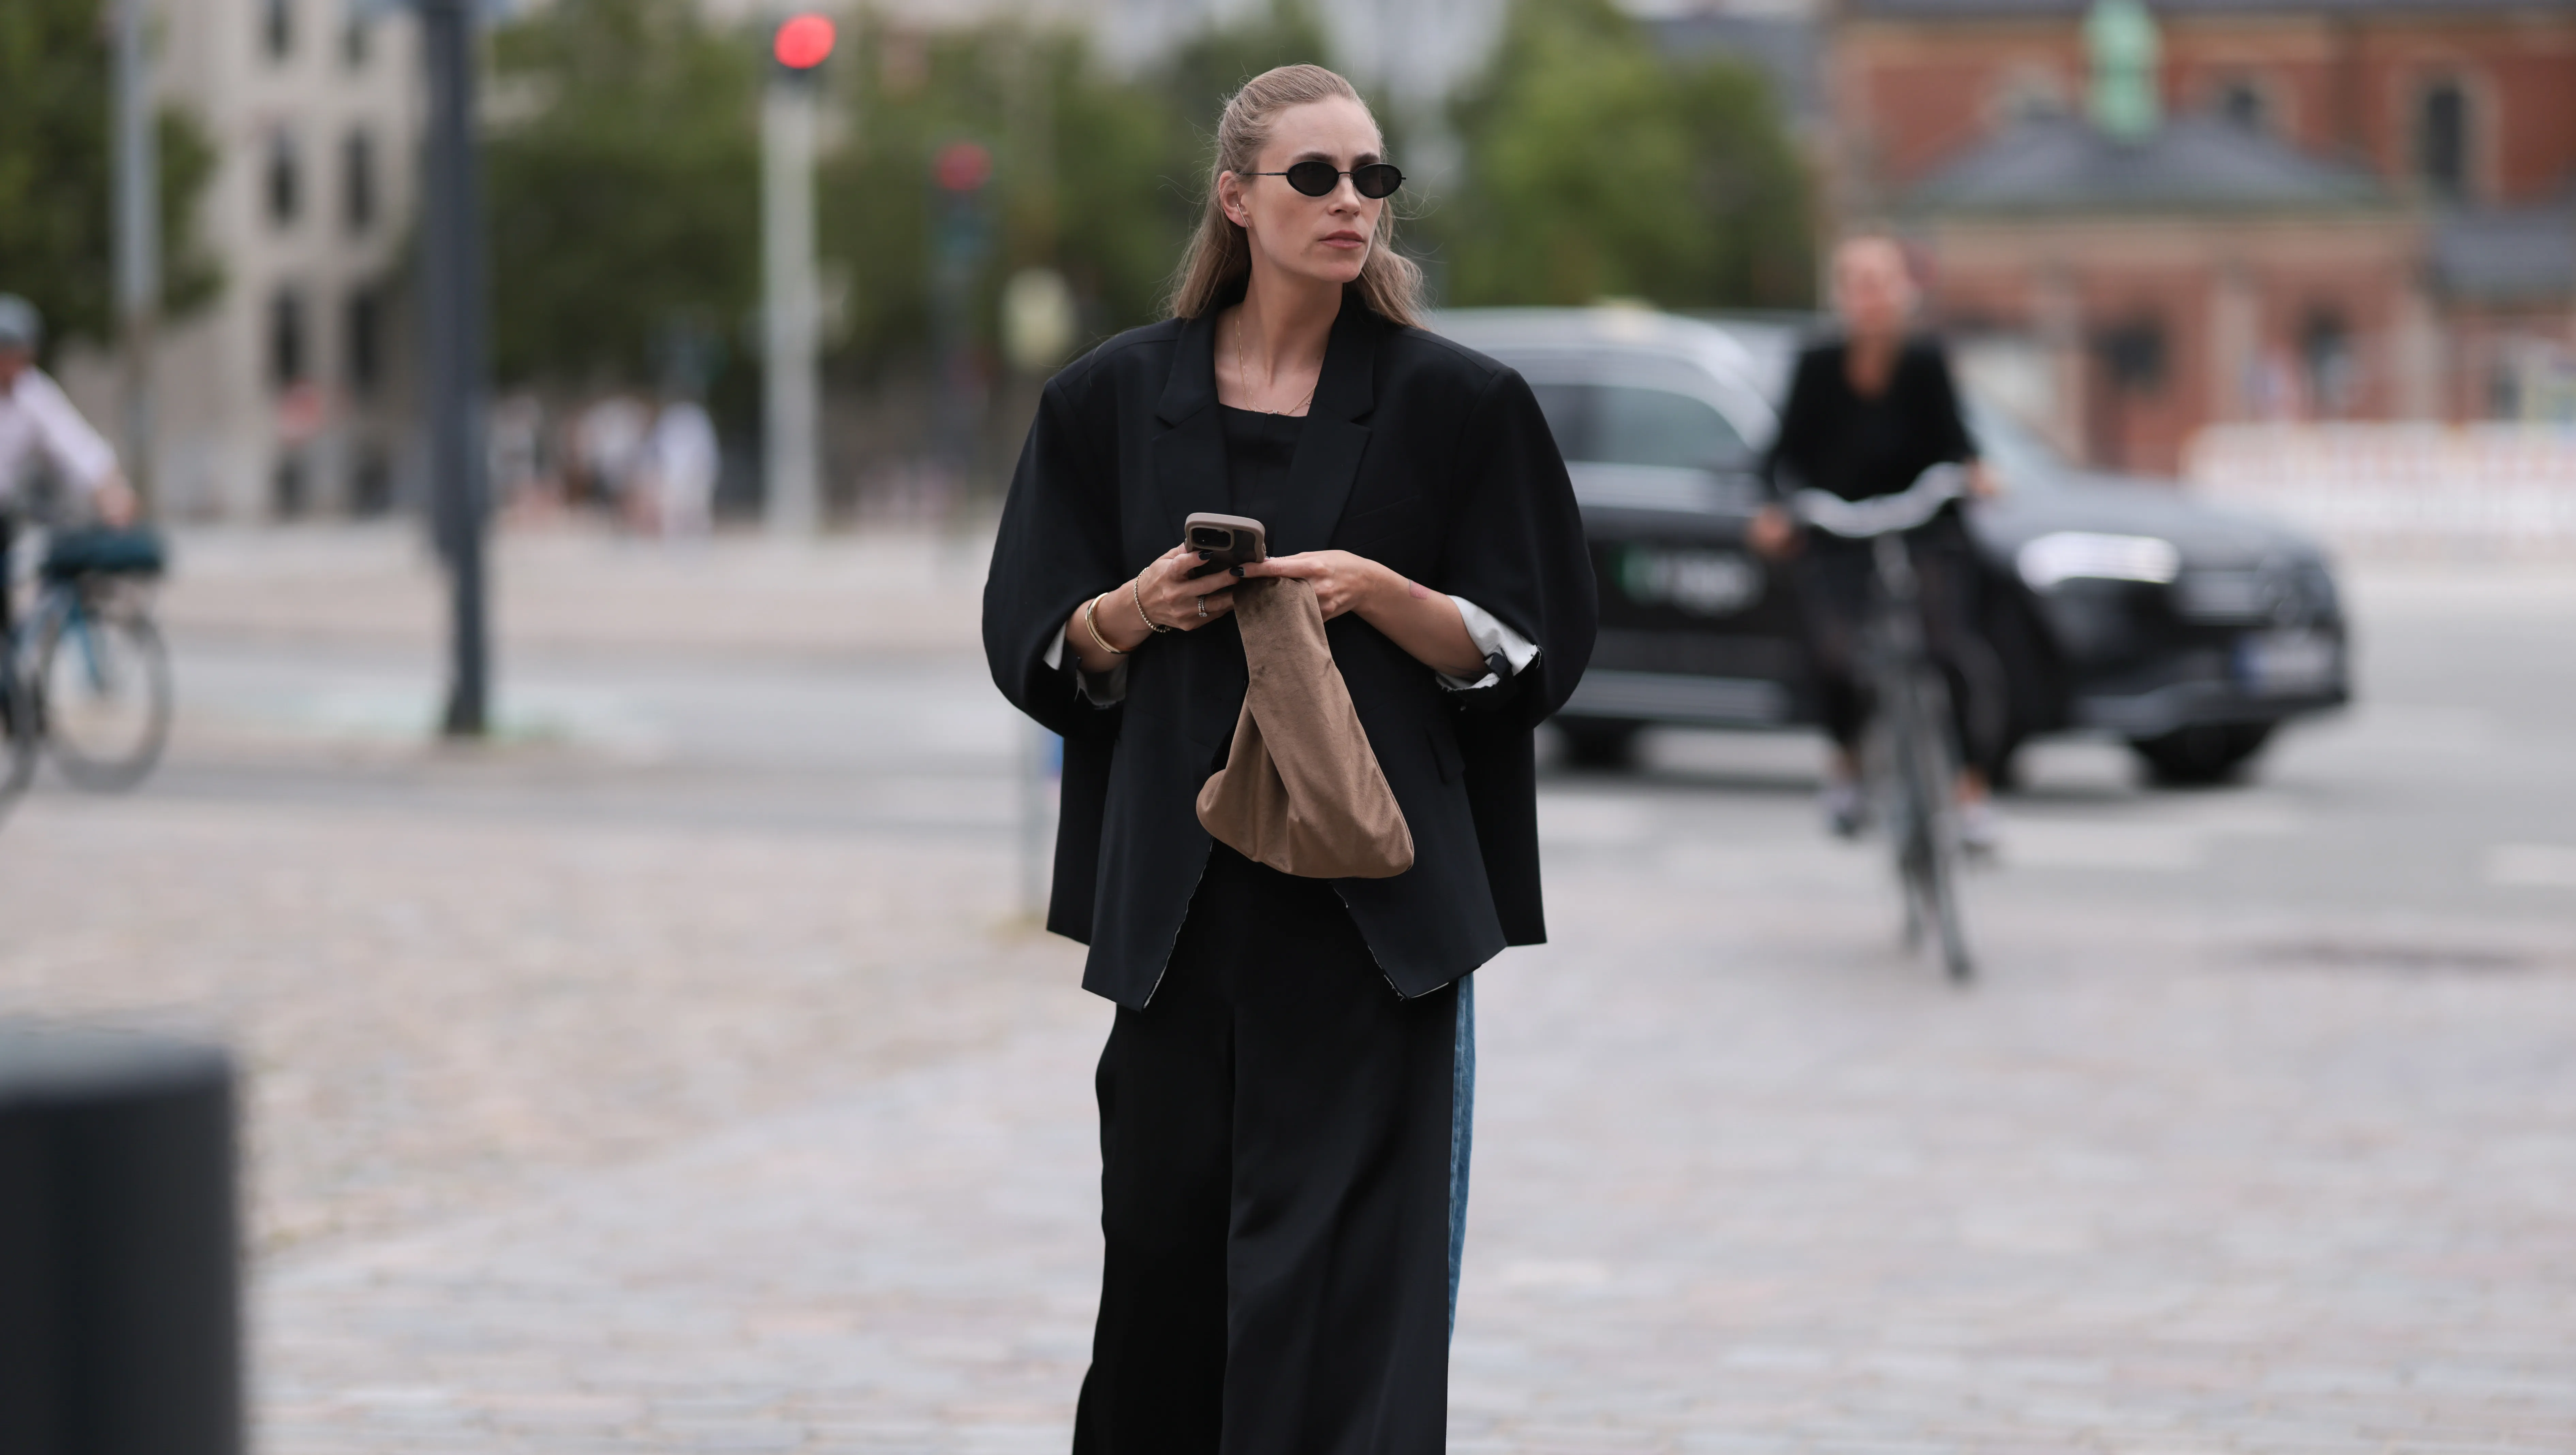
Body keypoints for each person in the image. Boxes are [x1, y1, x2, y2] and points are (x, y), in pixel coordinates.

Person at [982, 64, 1595, 1455]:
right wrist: (1130, 611)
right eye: (1314, 177)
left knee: (1342, 1293)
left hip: (1371, 912)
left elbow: (1534, 647)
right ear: (1237, 200)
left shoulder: (1462, 404)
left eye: (1371, 177)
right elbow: (1032, 637)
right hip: (1180, 905)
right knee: (1158, 1259)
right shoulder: (1107, 401)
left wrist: (1378, 591)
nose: (1349, 203)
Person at [1748, 238, 2009, 850]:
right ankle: (1847, 764)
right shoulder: (1815, 364)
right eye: (1856, 283)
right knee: (1835, 658)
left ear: (1903, 292)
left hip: (1920, 529)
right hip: (1839, 533)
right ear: (1839, 295)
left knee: (1951, 654)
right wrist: (1773, 513)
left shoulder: (1923, 362)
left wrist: (1976, 473)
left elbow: (1957, 443)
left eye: (1881, 282)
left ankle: (1970, 794)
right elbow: (1779, 458)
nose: (1870, 297)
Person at [0, 296, 140, 635]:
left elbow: (74, 442)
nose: (17, 364)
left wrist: (110, 488)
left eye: (23, 354)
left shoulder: (32, 393)